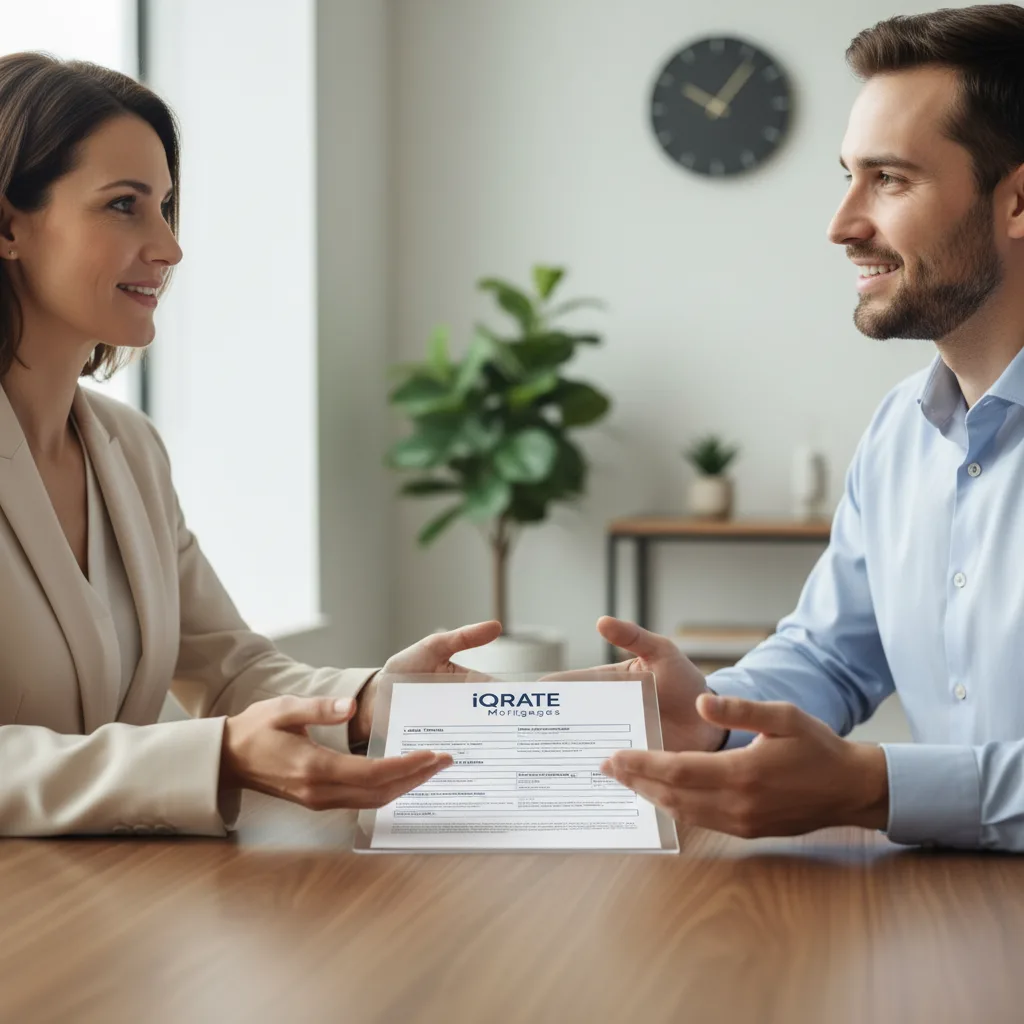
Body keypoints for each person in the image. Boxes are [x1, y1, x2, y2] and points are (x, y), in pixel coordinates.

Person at [0, 50, 501, 837]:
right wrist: (214, 758)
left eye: (166, 206)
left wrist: (370, 701)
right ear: (8, 224)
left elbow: (230, 670)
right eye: (125, 205)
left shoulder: (128, 450)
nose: (168, 246)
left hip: (104, 908)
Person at [582, 5, 1024, 852]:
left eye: (890, 180)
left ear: (1017, 201)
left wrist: (875, 788)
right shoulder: (902, 431)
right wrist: (710, 716)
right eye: (848, 175)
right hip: (943, 924)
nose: (842, 222)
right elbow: (832, 655)